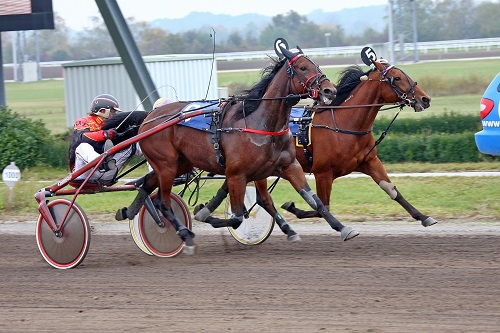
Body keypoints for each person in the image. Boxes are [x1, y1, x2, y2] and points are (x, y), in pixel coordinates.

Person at [69, 93, 131, 183]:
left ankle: (155, 166)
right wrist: (105, 134)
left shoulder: (113, 124)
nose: (115, 114)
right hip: (83, 173)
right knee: (83, 146)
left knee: (133, 143)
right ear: (102, 111)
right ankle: (101, 162)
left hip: (107, 172)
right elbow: (80, 137)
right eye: (113, 112)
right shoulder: (83, 121)